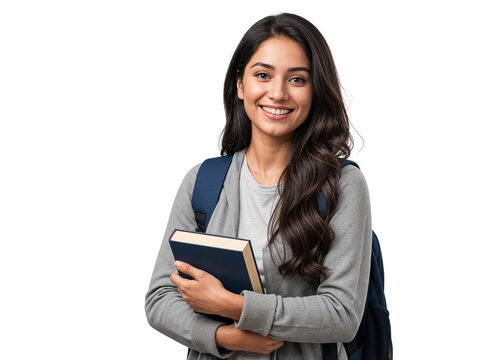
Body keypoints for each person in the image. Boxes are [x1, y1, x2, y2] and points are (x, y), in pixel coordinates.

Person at [145, 13, 372, 360]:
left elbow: (342, 314)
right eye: (263, 75)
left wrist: (236, 306)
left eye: (297, 79)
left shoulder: (342, 185)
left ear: (315, 91)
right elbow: (160, 299)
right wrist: (223, 337)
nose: (278, 93)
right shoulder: (203, 182)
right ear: (240, 84)